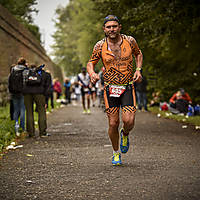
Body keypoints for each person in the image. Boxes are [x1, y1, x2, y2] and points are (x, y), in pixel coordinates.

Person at [87, 15, 143, 165]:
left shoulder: (130, 41)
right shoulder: (100, 46)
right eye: (108, 27)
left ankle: (125, 134)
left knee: (129, 121)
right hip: (110, 88)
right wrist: (92, 73)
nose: (112, 29)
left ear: (120, 27)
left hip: (127, 86)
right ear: (104, 29)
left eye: (114, 26)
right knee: (113, 123)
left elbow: (138, 54)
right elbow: (90, 63)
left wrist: (138, 69)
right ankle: (116, 153)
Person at [23, 64, 52, 137]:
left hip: (27, 93)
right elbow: (48, 87)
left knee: (29, 112)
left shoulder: (26, 73)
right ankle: (42, 132)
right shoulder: (45, 74)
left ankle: (31, 133)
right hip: (39, 93)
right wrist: (46, 98)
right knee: (41, 112)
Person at [8, 58, 26, 136]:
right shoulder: (25, 70)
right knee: (22, 110)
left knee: (16, 110)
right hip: (22, 93)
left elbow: (9, 82)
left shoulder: (13, 70)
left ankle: (16, 127)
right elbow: (25, 82)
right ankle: (22, 128)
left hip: (14, 93)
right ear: (24, 63)